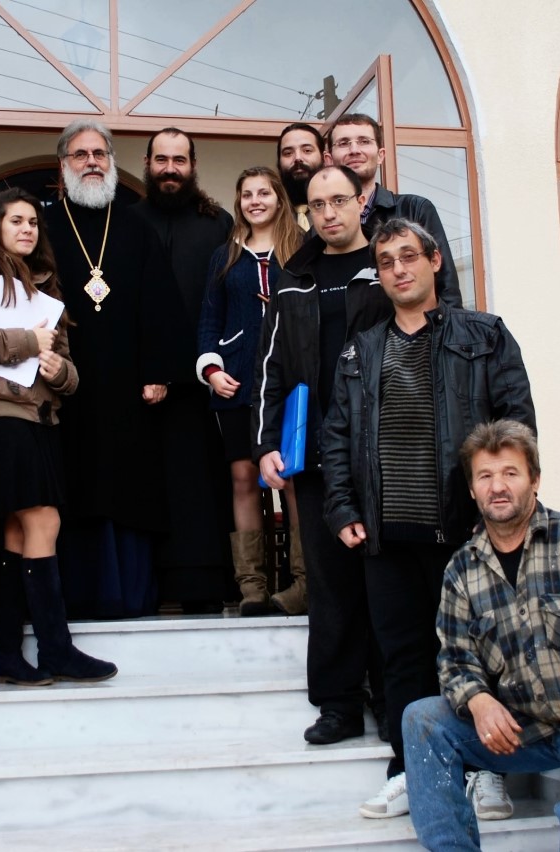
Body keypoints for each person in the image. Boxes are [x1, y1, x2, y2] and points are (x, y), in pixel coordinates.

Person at [321, 216, 536, 819]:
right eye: (386, 261)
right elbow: (336, 436)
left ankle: (486, 771)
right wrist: (342, 508)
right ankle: (409, 771)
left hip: (467, 533)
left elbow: (517, 427)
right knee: (403, 660)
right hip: (386, 535)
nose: (399, 269)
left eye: (409, 256)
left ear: (435, 261)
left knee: (480, 655)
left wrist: (496, 509)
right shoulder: (361, 349)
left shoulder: (484, 336)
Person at [403, 420, 560, 851]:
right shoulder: (462, 569)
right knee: (422, 718)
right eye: (485, 476)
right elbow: (454, 658)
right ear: (472, 490)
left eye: (510, 473)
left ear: (535, 480)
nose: (497, 487)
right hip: (529, 728)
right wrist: (478, 700)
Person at [0, 187, 117, 685]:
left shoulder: (46, 286)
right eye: (15, 220)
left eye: (33, 222)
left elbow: (69, 371)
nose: (26, 229)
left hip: (41, 418)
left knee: (19, 531)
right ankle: (56, 650)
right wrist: (25, 341)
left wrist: (60, 370)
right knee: (44, 520)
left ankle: (5, 656)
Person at [253, 165, 391, 746]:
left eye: (339, 200)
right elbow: (270, 369)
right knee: (330, 583)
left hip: (384, 451)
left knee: (384, 580)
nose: (329, 213)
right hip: (314, 454)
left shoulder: (386, 267)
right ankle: (338, 704)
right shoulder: (293, 278)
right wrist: (266, 445)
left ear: (361, 202)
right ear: (306, 212)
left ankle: (392, 699)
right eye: (317, 204)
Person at [45, 119, 177, 619]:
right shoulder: (44, 226)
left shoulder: (136, 225)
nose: (92, 162)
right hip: (65, 382)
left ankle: (131, 595)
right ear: (64, 165)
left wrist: (158, 370)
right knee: (72, 483)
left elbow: (160, 302)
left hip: (128, 384)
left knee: (128, 486)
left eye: (99, 154)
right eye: (81, 155)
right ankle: (75, 596)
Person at [134, 127, 236, 613]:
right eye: (162, 159)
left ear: (193, 165)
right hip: (142, 384)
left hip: (203, 385)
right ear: (147, 164)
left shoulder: (218, 223)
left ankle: (204, 590)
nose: (170, 169)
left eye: (179, 160)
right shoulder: (128, 222)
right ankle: (143, 591)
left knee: (201, 491)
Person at [196, 167, 304, 616]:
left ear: (279, 199)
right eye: (246, 194)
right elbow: (209, 320)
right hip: (237, 384)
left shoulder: (302, 249)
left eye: (264, 193)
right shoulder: (225, 256)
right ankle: (253, 588)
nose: (255, 201)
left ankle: (303, 583)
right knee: (243, 477)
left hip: (289, 383)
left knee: (291, 479)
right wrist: (211, 370)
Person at [325, 113, 460, 300]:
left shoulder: (415, 210)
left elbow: (446, 287)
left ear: (381, 155)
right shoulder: (321, 227)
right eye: (343, 143)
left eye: (364, 141)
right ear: (329, 159)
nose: (354, 150)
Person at [276, 122, 325, 229]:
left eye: (307, 150)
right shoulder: (269, 215)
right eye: (288, 153)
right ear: (279, 163)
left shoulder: (342, 208)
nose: (298, 158)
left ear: (324, 158)